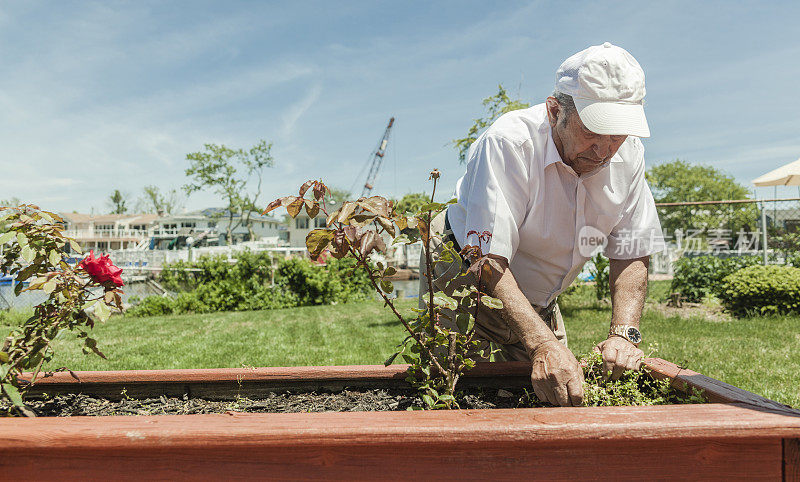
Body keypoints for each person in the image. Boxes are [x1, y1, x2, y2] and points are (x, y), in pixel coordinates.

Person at [420, 42, 664, 407]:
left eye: (617, 135)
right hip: (463, 272)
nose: (604, 149)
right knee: (449, 395)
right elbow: (486, 261)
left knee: (560, 391)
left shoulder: (628, 156)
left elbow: (631, 252)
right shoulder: (509, 143)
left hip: (537, 295)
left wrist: (623, 335)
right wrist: (544, 343)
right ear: (554, 112)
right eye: (592, 131)